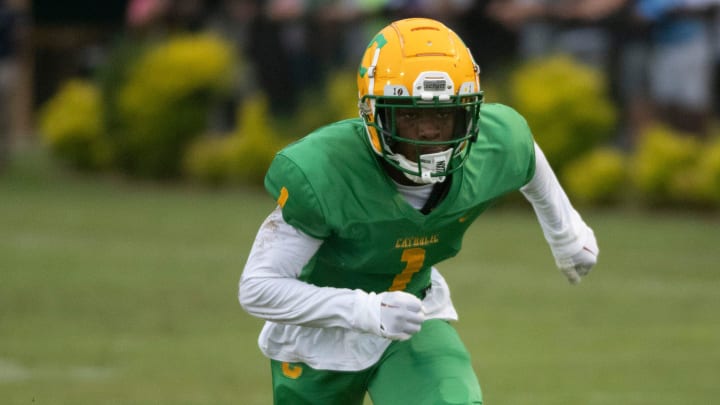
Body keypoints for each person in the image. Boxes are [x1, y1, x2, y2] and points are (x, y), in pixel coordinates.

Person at [238, 17, 599, 404]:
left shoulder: (490, 147)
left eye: (442, 115)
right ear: (373, 113)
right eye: (411, 115)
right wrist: (366, 309)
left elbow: (526, 154)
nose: (428, 131)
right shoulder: (326, 170)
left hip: (415, 313)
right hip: (319, 332)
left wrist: (566, 232)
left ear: (468, 114)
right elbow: (257, 288)